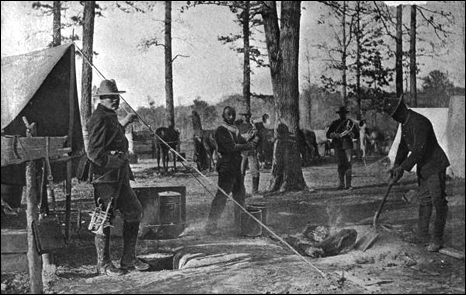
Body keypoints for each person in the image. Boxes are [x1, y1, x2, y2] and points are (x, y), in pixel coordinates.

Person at [86, 79, 149, 275]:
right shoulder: (98, 118)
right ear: (101, 99)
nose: (115, 101)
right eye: (110, 98)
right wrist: (117, 160)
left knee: (134, 211)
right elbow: (93, 153)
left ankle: (128, 259)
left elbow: (112, 136)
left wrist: (127, 121)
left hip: (119, 176)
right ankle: (103, 265)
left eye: (116, 97)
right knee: (103, 218)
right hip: (105, 177)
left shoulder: (110, 116)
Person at [383, 94, 450, 252]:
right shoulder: (405, 123)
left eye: (394, 115)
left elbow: (420, 149)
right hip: (423, 167)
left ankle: (437, 238)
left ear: (401, 110)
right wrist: (397, 165)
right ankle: (422, 234)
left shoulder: (419, 122)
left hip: (435, 165)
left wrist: (403, 168)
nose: (394, 119)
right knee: (425, 200)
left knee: (438, 201)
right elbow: (403, 146)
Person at [205, 106, 259, 234]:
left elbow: (241, 140)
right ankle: (210, 226)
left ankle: (239, 224)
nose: (231, 117)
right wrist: (249, 145)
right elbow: (232, 147)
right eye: (228, 115)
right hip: (226, 167)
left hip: (236, 166)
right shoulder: (221, 130)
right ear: (223, 116)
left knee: (240, 195)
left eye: (233, 115)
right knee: (222, 196)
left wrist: (251, 136)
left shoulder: (234, 130)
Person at [326, 106, 359, 190]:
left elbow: (357, 134)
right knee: (340, 165)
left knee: (348, 164)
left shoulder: (350, 123)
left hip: (347, 145)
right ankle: (341, 184)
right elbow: (328, 134)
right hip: (338, 145)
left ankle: (348, 185)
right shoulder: (335, 123)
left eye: (343, 113)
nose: (342, 115)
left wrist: (352, 134)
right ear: (339, 114)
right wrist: (334, 135)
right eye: (340, 113)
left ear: (345, 114)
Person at [238, 110, 262, 196]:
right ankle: (241, 192)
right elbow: (241, 139)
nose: (247, 117)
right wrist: (250, 136)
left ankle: (255, 192)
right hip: (242, 152)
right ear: (242, 117)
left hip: (252, 151)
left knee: (255, 171)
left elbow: (258, 139)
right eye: (245, 116)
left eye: (248, 115)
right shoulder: (239, 127)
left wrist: (256, 135)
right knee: (241, 172)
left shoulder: (253, 126)